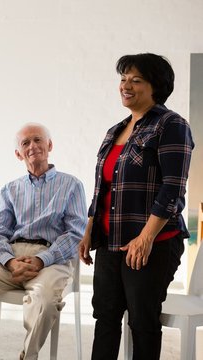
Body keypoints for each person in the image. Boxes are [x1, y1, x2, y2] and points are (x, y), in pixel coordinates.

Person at [78, 53, 195, 360]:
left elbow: (173, 187)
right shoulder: (116, 130)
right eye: (123, 79)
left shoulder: (171, 125)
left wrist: (146, 237)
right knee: (105, 317)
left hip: (153, 243)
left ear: (155, 86)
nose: (125, 86)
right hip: (110, 241)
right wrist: (89, 229)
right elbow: (103, 186)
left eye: (136, 80)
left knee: (142, 322)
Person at [0, 123, 87, 360]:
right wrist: (9, 261)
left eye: (38, 140)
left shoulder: (72, 185)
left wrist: (40, 260)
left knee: (46, 300)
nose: (32, 146)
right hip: (12, 256)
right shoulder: (10, 189)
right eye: (25, 143)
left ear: (50, 145)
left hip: (52, 259)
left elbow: (75, 234)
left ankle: (28, 356)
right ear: (18, 154)